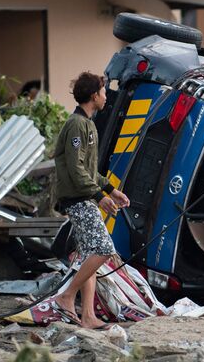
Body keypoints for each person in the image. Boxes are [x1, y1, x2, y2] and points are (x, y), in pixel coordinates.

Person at [52, 72, 130, 329]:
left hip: (84, 195)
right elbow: (76, 170)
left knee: (89, 254)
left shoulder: (87, 124)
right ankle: (66, 296)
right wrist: (99, 197)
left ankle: (88, 316)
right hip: (78, 199)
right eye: (104, 91)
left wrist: (111, 190)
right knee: (103, 249)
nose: (106, 96)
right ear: (94, 95)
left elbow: (89, 169)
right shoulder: (77, 124)